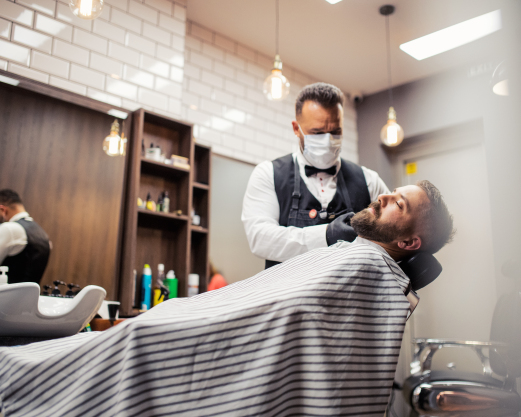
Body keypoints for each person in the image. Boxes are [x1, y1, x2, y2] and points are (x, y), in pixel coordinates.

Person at [0, 181, 454, 417]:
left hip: (158, 338)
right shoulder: (351, 258)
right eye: (394, 190)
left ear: (411, 242)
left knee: (98, 349)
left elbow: (274, 318)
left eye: (401, 204)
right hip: (168, 324)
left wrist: (164, 322)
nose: (387, 194)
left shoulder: (364, 267)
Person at [242, 82, 390, 269]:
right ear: (296, 129)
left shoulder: (369, 181)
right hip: (291, 295)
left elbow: (392, 232)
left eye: (335, 132)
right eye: (317, 133)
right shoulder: (268, 174)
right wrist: (326, 235)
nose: (328, 141)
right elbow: (260, 239)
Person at [0, 189, 50, 284]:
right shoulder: (43, 234)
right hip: (30, 297)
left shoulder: (9, 228)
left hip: (5, 296)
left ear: (3, 209)